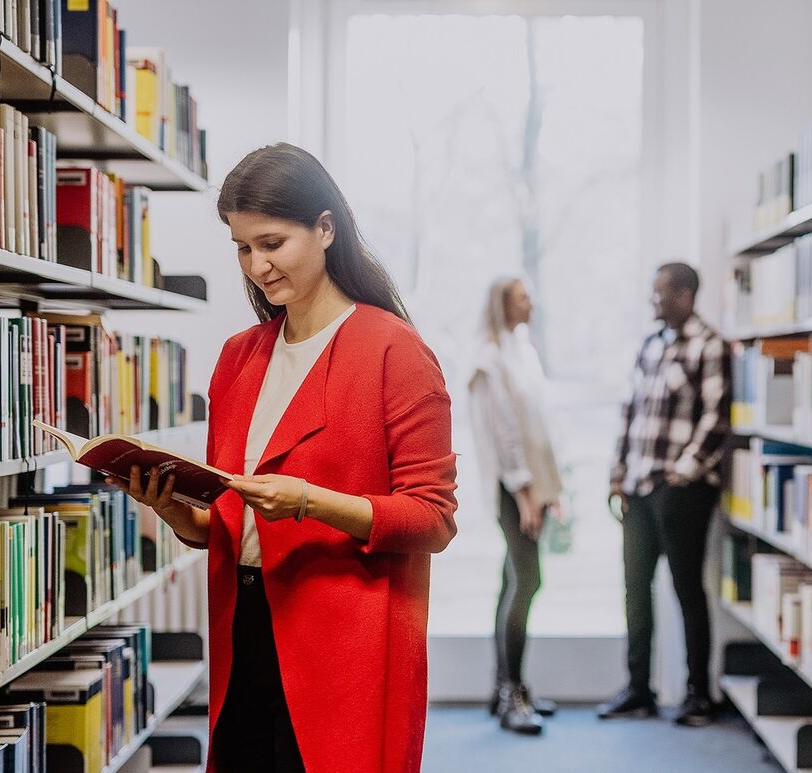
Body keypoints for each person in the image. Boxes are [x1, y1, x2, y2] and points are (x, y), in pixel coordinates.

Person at [109, 142, 458, 773]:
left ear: (326, 228)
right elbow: (233, 521)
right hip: (245, 619)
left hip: (343, 633)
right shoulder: (240, 357)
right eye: (243, 248)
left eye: (272, 243)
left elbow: (432, 519)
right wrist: (176, 513)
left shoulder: (394, 352)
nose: (257, 266)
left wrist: (306, 501)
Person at [597, 262, 728, 728]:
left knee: (687, 590)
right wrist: (617, 476)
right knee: (635, 591)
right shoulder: (649, 346)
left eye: (661, 293)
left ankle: (698, 694)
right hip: (637, 490)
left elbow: (718, 418)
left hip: (681, 493)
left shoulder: (708, 345)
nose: (653, 301)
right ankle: (638, 690)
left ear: (686, 295)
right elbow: (628, 415)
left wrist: (683, 473)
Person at [468, 276, 564, 736]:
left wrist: (551, 489)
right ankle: (512, 694)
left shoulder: (521, 350)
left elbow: (537, 425)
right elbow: (502, 435)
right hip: (513, 489)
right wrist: (526, 492)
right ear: (503, 305)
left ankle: (505, 687)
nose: (533, 302)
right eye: (525, 297)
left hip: (531, 487)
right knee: (528, 580)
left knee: (513, 579)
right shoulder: (490, 359)